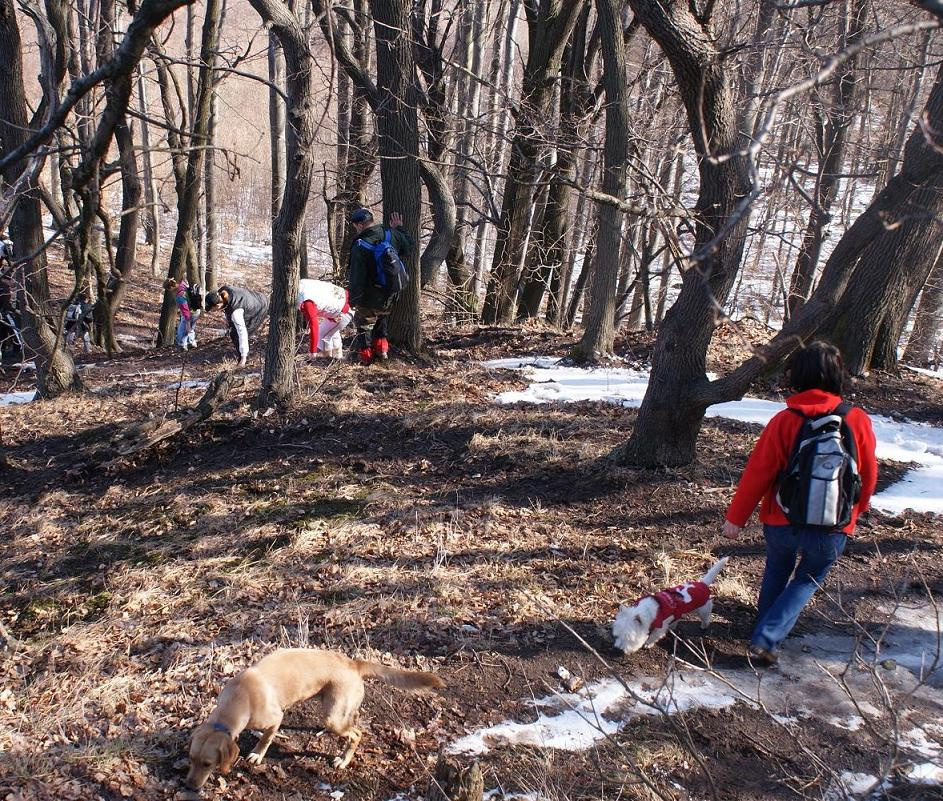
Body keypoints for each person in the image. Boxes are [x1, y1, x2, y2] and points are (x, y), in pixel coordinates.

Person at [722, 341, 878, 665]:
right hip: (833, 526)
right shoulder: (857, 421)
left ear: (798, 376)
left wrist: (736, 518)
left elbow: (758, 474)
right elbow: (868, 475)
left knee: (777, 567)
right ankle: (766, 637)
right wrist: (855, 513)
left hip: (782, 520)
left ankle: (763, 631)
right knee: (808, 578)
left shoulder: (784, 421)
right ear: (838, 376)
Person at [347, 208, 413, 365]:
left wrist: (352, 299)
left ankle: (366, 359)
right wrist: (399, 228)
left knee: (363, 326)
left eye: (355, 226)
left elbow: (357, 277)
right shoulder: (391, 234)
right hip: (390, 293)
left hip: (369, 296)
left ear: (359, 225)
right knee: (381, 321)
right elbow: (409, 247)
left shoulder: (360, 245)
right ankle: (383, 352)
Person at [204, 285, 269, 367]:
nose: (213, 311)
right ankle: (242, 355)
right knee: (233, 330)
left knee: (237, 335)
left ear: (218, 306)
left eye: (212, 309)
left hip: (260, 308)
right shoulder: (223, 291)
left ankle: (243, 359)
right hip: (258, 297)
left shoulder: (235, 312)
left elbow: (242, 333)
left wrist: (243, 357)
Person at [297, 278, 352, 360]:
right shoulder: (302, 284)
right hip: (344, 300)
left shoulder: (307, 302)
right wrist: (329, 316)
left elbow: (314, 325)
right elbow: (322, 300)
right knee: (332, 331)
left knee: (322, 334)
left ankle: (327, 355)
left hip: (345, 309)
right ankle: (338, 357)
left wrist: (313, 352)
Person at [165, 277, 202, 351]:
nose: (170, 292)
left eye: (169, 290)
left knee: (182, 329)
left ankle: (182, 345)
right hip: (197, 310)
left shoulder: (180, 296)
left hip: (189, 313)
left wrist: (187, 322)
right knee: (191, 327)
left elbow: (185, 310)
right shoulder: (183, 284)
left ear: (171, 287)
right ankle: (191, 343)